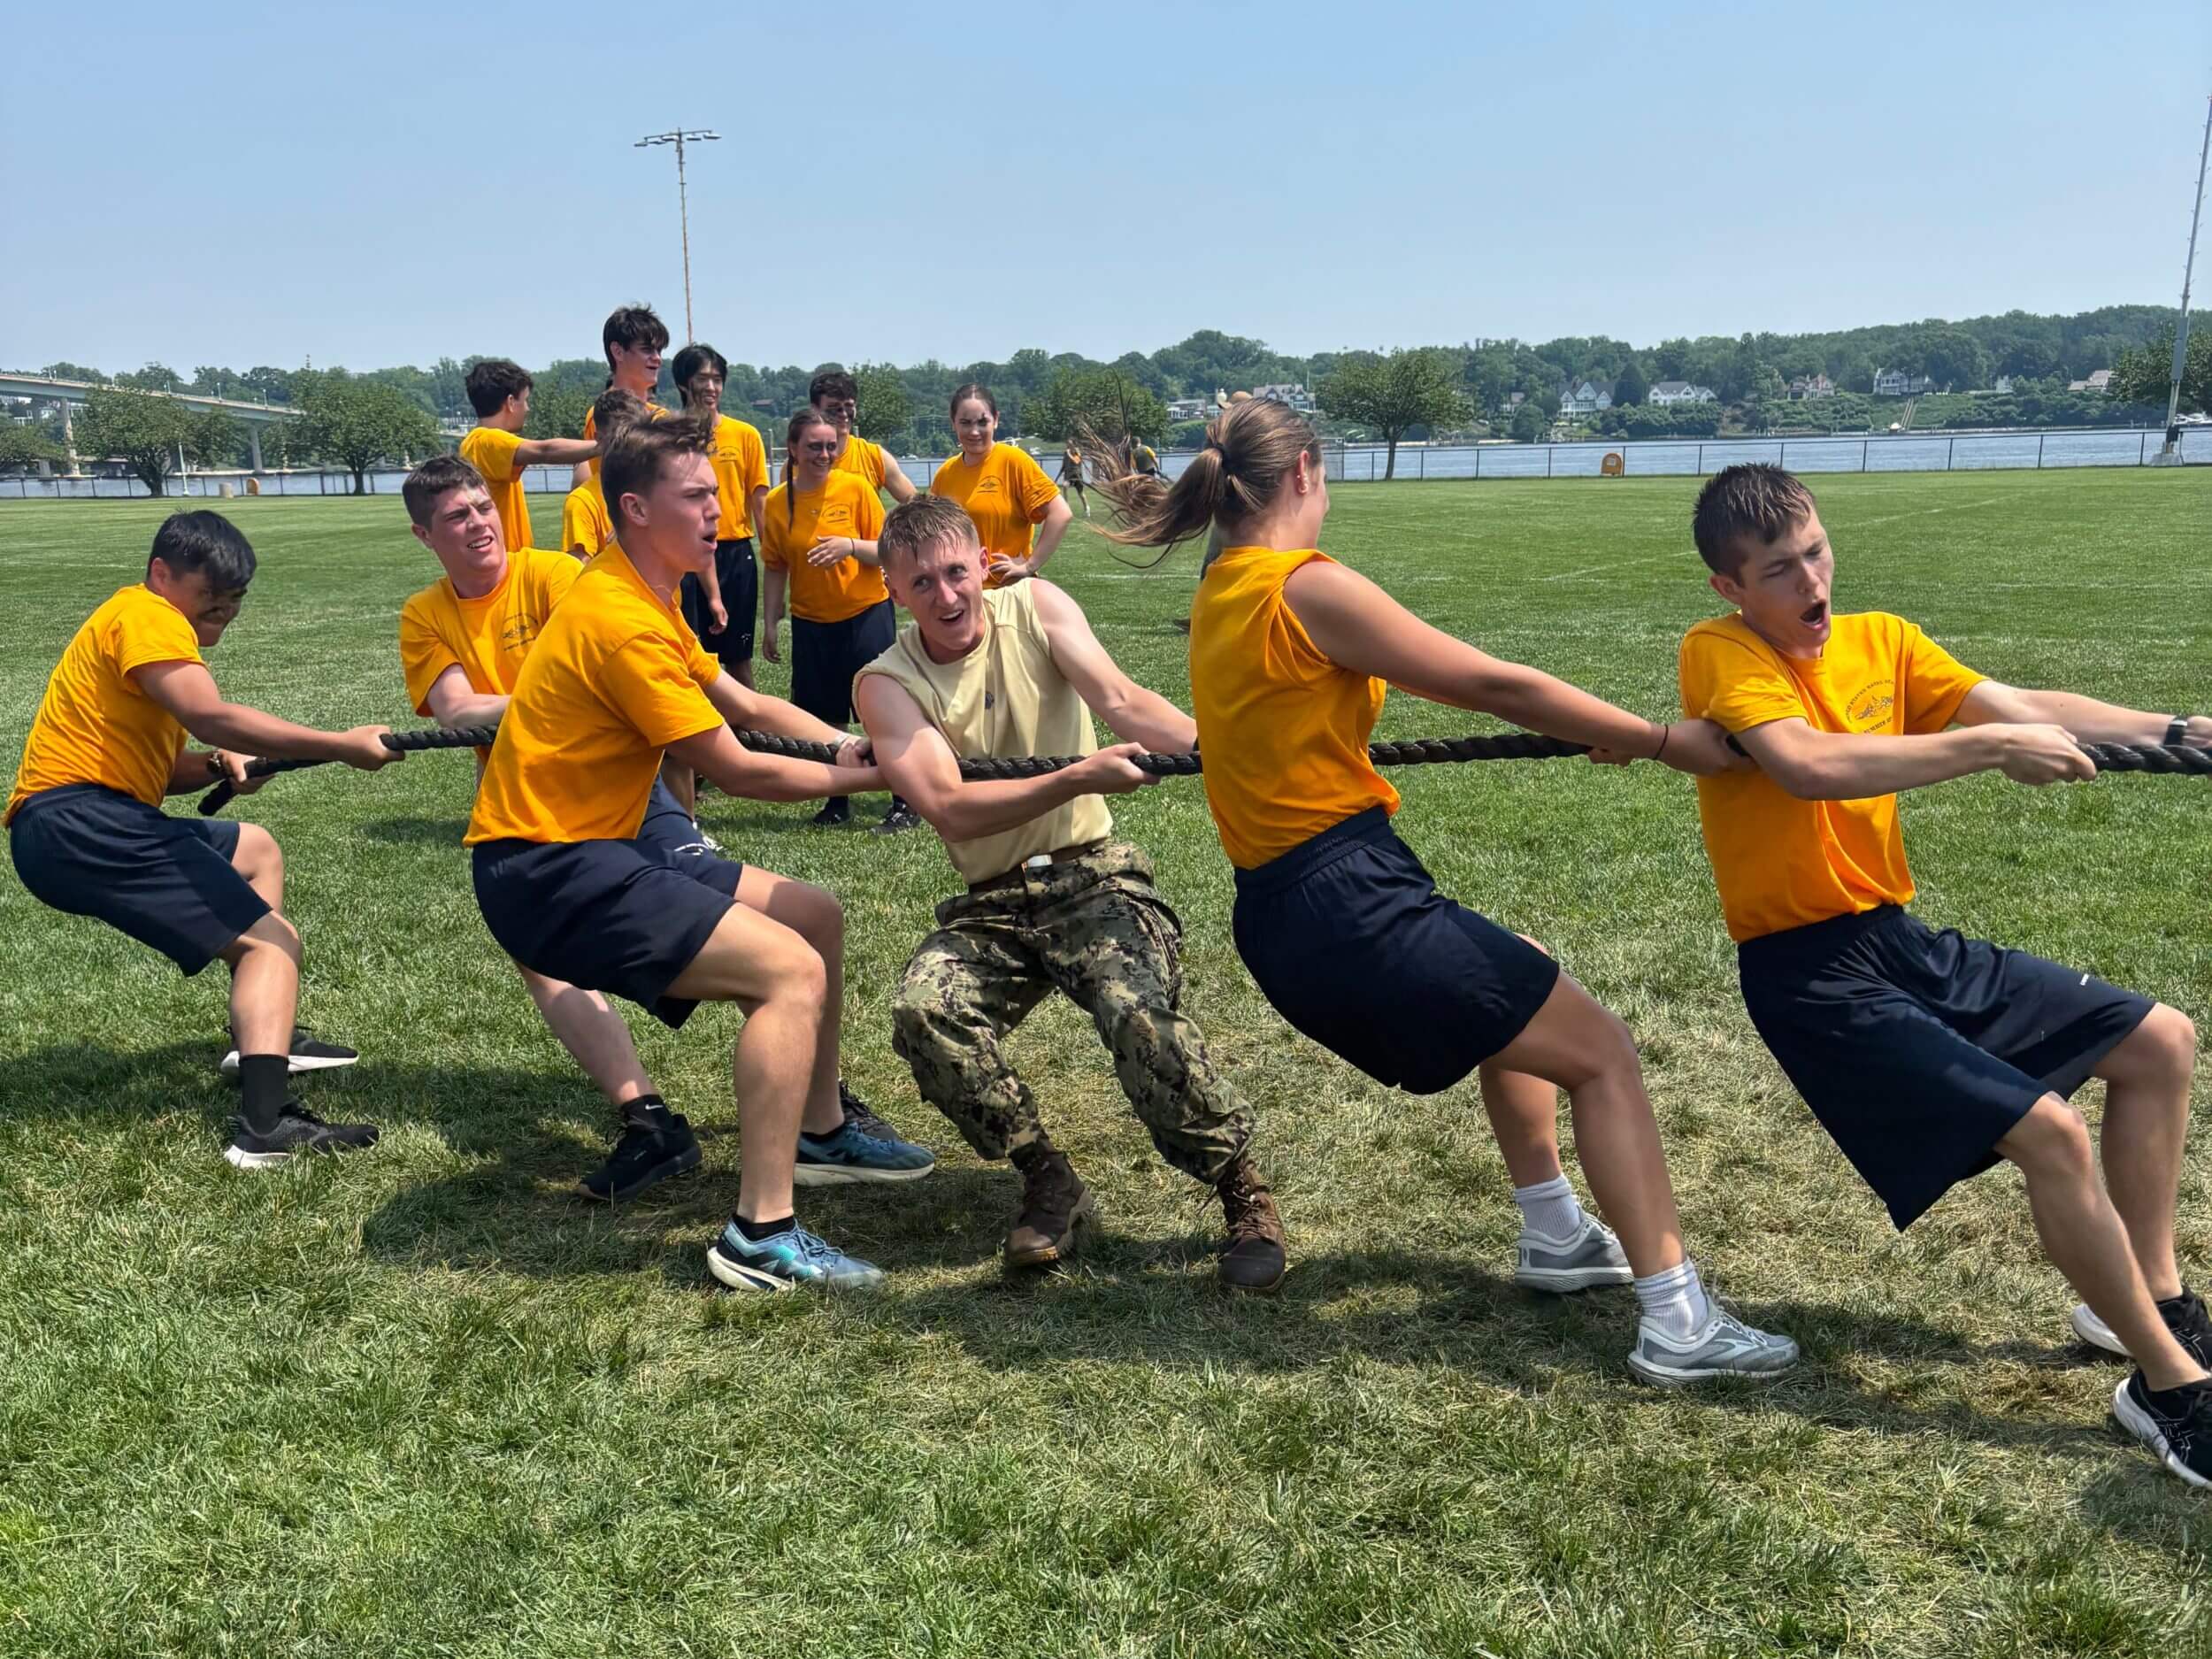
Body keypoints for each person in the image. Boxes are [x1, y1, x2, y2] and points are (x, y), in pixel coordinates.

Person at [1090, 398, 1800, 1383]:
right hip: (1348, 903)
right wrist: (1664, 739)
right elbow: (1492, 685)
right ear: (1303, 474)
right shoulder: (1303, 588)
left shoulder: (1222, 589)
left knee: (1528, 985)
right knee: (1600, 1054)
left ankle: (1554, 1235)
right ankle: (1677, 1321)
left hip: (1290, 908)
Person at [1678, 462, 2212, 1483]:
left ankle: (2146, 1305)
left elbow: (2018, 706)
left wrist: (2170, 730)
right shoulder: (1718, 651)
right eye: (1780, 569)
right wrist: (1982, 751)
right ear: (1732, 588)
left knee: (2159, 1042)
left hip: (1896, 940)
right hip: (1810, 977)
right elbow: (1805, 765)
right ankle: (2168, 1389)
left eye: (1817, 551)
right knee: (2050, 1134)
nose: (1811, 581)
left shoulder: (1881, 639)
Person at [466, 419, 938, 1289]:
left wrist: (851, 745)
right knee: (786, 973)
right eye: (696, 496)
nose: (719, 509)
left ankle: (820, 1130)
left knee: (812, 915)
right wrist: (888, 778)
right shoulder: (618, 619)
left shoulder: (645, 589)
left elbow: (745, 703)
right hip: (546, 868)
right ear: (637, 508)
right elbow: (735, 769)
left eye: (715, 492)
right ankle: (761, 1235)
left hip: (603, 842)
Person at [854, 496, 1287, 1289]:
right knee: (925, 1010)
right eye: (922, 583)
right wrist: (1081, 772)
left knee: (1136, 1013)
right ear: (893, 592)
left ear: (983, 560)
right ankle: (1047, 1175)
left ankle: (1242, 1190)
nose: (947, 596)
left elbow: (1121, 701)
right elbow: (946, 805)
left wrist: (1227, 752)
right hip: (991, 902)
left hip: (1093, 874)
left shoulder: (1037, 607)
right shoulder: (885, 684)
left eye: (957, 572)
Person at [7, 512, 397, 1168]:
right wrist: (341, 745)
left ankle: (265, 1034)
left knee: (255, 848)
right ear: (162, 574)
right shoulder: (148, 613)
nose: (221, 610)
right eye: (208, 597)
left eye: (233, 599)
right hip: (81, 822)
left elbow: (156, 771)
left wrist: (217, 765)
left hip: (76, 820)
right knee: (272, 942)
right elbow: (210, 713)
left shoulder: (136, 635)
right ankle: (264, 1129)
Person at [403, 452, 710, 1202]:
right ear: (424, 534)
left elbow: (595, 671)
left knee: (735, 914)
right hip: (527, 809)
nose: (478, 524)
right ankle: (647, 1118)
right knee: (542, 955)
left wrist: (531, 700)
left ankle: (819, 1103)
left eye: (482, 507)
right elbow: (453, 710)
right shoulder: (425, 615)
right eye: (456, 517)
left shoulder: (554, 576)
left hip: (625, 791)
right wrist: (551, 696)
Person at [758, 409, 916, 833]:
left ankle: (904, 799)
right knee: (825, 718)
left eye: (830, 446)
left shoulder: (856, 488)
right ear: (792, 449)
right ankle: (836, 799)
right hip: (811, 621)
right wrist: (771, 622)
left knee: (880, 710)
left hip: (865, 613)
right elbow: (775, 566)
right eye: (813, 446)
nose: (824, 454)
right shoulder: (776, 503)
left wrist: (849, 545)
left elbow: (889, 549)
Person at [674, 343, 772, 689]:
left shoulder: (745, 435)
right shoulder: (670, 434)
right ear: (684, 383)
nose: (711, 387)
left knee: (738, 659)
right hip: (683, 557)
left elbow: (759, 501)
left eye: (717, 379)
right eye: (703, 378)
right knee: (687, 656)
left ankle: (749, 734)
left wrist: (771, 555)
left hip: (734, 554)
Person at [929, 384, 1072, 588]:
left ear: (996, 420)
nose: (974, 431)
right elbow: (932, 533)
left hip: (1008, 590)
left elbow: (1061, 513)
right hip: (961, 593)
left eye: (982, 422)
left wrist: (1029, 566)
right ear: (953, 423)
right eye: (965, 423)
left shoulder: (1013, 461)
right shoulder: (945, 473)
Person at [456, 360, 602, 554]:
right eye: (525, 400)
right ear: (510, 402)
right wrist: (609, 445)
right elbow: (544, 451)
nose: (527, 408)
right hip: (504, 562)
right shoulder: (486, 439)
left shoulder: (475, 443)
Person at [559, 388, 647, 560]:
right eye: (620, 436)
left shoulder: (659, 489)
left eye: (638, 433)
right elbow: (578, 575)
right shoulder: (583, 502)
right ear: (599, 439)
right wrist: (618, 550)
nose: (631, 443)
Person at [810, 369, 918, 504]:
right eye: (833, 407)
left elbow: (917, 505)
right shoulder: (797, 463)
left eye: (848, 406)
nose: (843, 414)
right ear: (815, 410)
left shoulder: (875, 457)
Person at [1056, 443, 1089, 517]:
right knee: (1064, 486)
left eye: (1071, 445)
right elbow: (1063, 466)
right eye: (1068, 445)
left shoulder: (1077, 453)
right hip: (1069, 476)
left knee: (1081, 494)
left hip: (1077, 476)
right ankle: (1066, 507)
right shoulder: (1065, 454)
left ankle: (1087, 508)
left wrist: (1069, 453)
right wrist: (1057, 477)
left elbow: (1076, 461)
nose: (1069, 447)